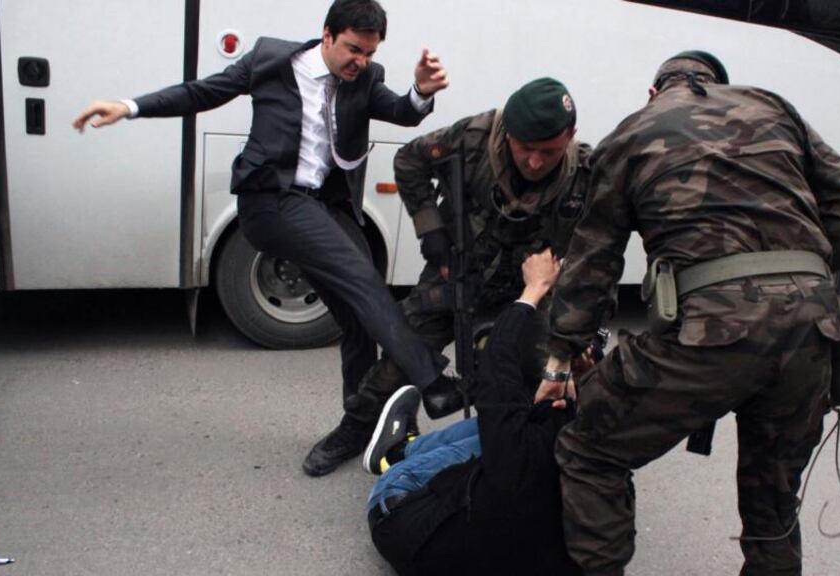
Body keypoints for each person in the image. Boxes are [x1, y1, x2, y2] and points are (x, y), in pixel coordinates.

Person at [72, 0, 453, 476]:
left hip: (323, 206)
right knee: (363, 279)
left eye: (370, 53)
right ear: (327, 35)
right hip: (270, 203)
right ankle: (432, 380)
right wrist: (130, 106)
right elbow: (201, 93)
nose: (361, 61)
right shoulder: (272, 61)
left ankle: (356, 426)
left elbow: (403, 112)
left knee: (356, 315)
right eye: (354, 50)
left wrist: (420, 90)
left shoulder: (365, 78)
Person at [536, 51, 840, 575]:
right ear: (721, 87)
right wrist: (799, 280)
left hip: (711, 332)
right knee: (774, 501)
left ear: (654, 92)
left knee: (588, 452)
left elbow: (593, 260)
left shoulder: (631, 134)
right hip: (814, 329)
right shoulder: (771, 106)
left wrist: (561, 355)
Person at [306, 77, 592, 476]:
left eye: (549, 150)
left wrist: (572, 333)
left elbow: (596, 258)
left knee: (546, 377)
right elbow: (409, 160)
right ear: (508, 132)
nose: (535, 162)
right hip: (456, 272)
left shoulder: (585, 174)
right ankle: (356, 428)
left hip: (531, 292)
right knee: (400, 356)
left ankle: (534, 453)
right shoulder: (476, 137)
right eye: (524, 148)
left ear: (571, 134)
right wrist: (432, 231)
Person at [363, 249, 582, 576]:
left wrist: (533, 290)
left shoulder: (518, 448)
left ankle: (394, 456)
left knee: (486, 439)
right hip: (506, 545)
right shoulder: (607, 463)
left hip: (399, 525)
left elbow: (497, 367)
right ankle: (402, 449)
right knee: (497, 437)